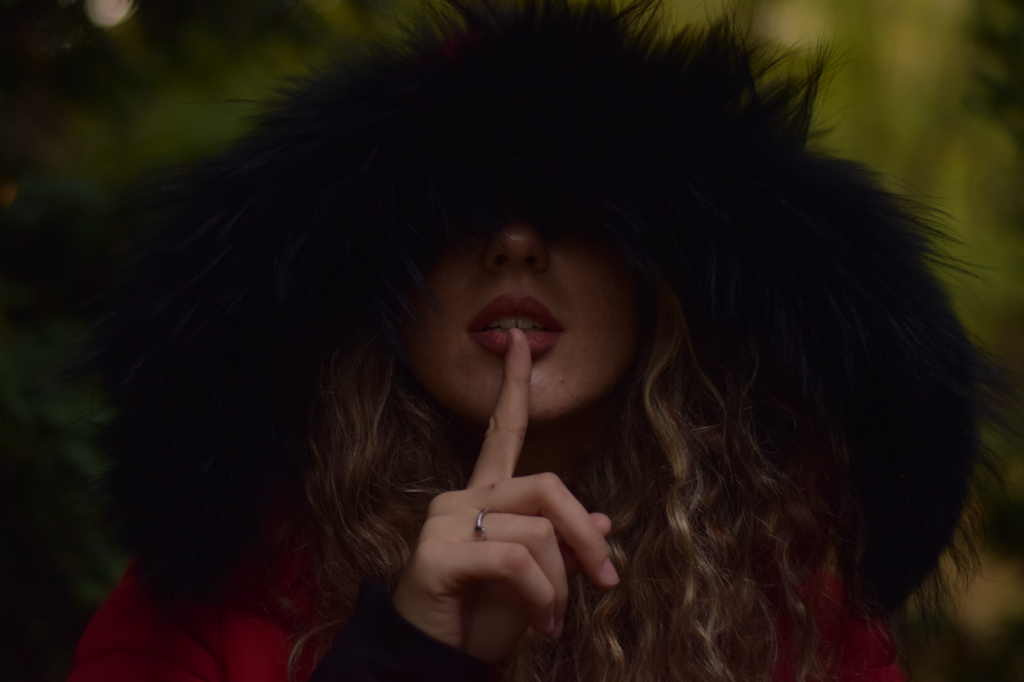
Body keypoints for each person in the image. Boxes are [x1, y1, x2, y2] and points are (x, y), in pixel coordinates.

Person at [68, 1, 994, 680]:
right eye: (454, 211)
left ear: (657, 281)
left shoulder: (805, 631)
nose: (514, 242)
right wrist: (407, 660)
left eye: (574, 209)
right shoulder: (210, 607)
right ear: (379, 288)